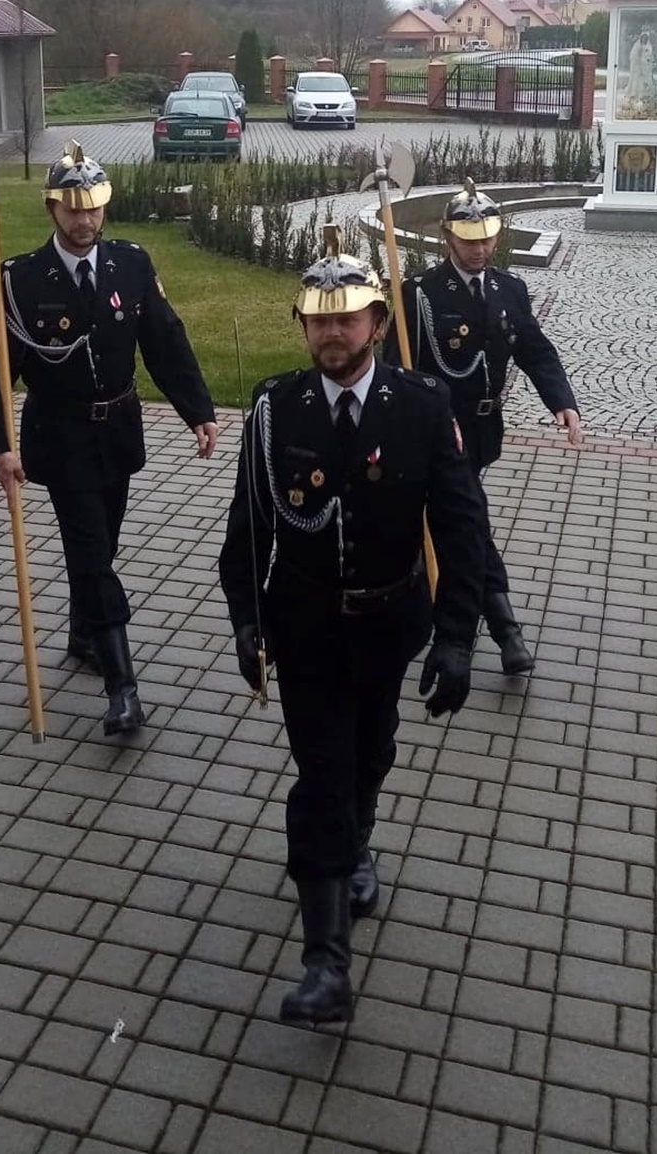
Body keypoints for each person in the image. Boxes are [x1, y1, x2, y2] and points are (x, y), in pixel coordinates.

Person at [219, 233, 485, 1027]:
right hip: (304, 626)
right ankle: (325, 964)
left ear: (376, 322)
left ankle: (359, 844)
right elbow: (248, 528)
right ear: (301, 326)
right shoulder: (274, 410)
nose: (331, 334)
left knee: (372, 751)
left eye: (346, 320)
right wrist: (246, 619)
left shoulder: (423, 406)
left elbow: (462, 528)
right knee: (322, 777)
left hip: (389, 622)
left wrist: (456, 637)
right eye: (317, 321)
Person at [0, 141, 217, 738]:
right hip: (60, 437)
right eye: (73, 209)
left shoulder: (130, 264)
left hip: (119, 431)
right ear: (51, 209)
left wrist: (197, 412)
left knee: (101, 547)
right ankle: (122, 687)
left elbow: (164, 341)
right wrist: (0, 446)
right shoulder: (19, 280)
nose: (85, 220)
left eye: (94, 208)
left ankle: (84, 633)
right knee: (89, 554)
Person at [383, 180, 582, 675]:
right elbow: (396, 368)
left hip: (483, 428)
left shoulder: (509, 289)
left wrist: (562, 402)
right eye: (469, 240)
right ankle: (503, 629)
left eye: (488, 238)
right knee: (469, 523)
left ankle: (444, 610)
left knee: (455, 523)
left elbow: (534, 349)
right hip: (438, 432)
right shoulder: (420, 294)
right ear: (448, 238)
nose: (480, 249)